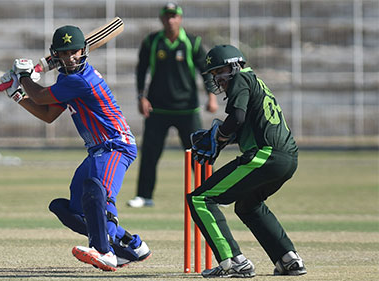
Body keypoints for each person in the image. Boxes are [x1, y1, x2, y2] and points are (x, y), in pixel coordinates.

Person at [0, 25, 151, 271]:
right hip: (97, 150)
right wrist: (17, 94)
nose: (70, 57)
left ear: (84, 51)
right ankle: (131, 245)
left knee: (97, 190)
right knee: (71, 211)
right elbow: (47, 113)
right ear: (55, 54)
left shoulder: (83, 80)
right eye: (64, 52)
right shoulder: (66, 80)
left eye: (74, 52)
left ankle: (106, 252)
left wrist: (24, 75)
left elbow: (39, 95)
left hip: (116, 145)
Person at [187, 44, 307, 278]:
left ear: (233, 66)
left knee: (201, 199)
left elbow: (237, 117)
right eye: (214, 75)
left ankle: (233, 262)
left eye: (219, 72)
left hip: (267, 155)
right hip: (287, 158)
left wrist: (217, 137)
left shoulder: (241, 78)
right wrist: (220, 140)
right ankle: (288, 258)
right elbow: (243, 126)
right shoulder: (255, 81)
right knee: (247, 206)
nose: (217, 80)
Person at [127, 2, 218, 208]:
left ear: (180, 18)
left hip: (187, 109)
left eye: (174, 16)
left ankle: (208, 194)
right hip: (157, 108)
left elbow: (205, 71)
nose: (170, 20)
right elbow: (141, 71)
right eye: (167, 16)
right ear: (161, 19)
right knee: (150, 153)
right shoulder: (151, 42)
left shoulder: (193, 43)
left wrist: (211, 97)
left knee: (199, 153)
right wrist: (141, 97)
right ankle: (144, 195)